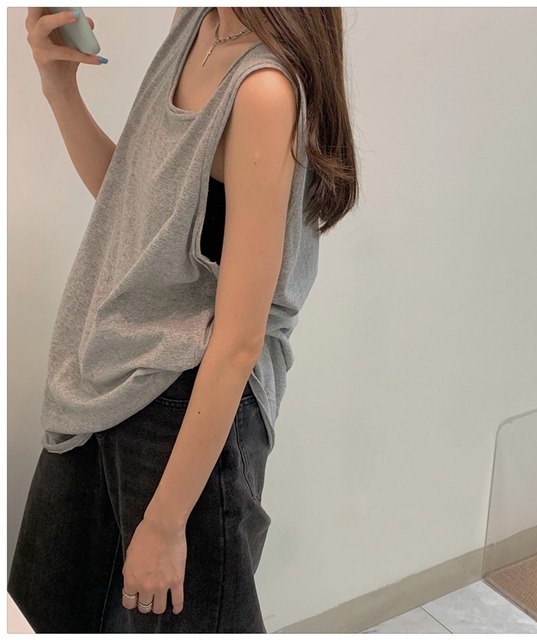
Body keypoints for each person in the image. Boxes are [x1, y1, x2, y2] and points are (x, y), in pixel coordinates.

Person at [8, 6, 359, 634]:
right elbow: (134, 209)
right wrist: (59, 90)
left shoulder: (263, 90)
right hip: (101, 379)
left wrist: (166, 523)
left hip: (189, 407)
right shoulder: (195, 20)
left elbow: (239, 340)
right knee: (41, 616)